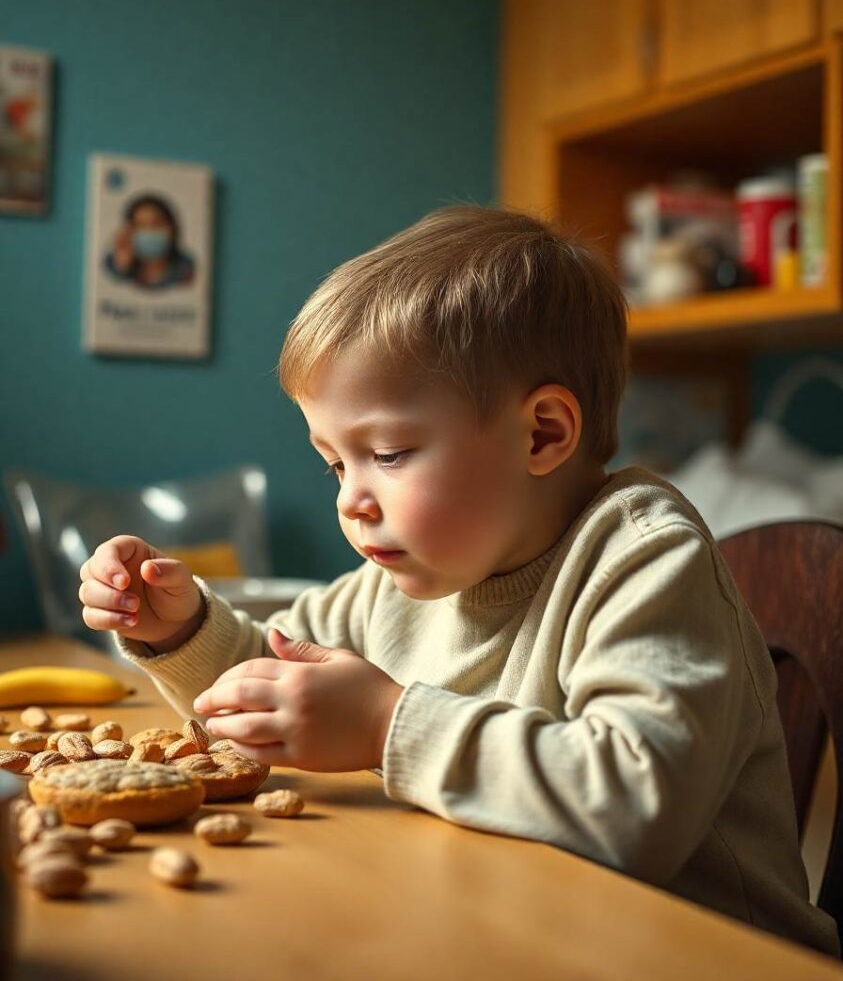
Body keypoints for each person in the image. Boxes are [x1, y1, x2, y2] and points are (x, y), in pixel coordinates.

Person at [79, 205, 839, 957]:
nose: (350, 498)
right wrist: (177, 628)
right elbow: (271, 682)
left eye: (389, 453)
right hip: (517, 930)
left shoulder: (641, 559)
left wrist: (384, 725)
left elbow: (635, 804)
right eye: (334, 463)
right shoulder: (400, 581)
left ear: (541, 433)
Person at [104, 193, 195, 290]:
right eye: (140, 225)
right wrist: (122, 266)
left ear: (172, 228)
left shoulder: (186, 268)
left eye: (157, 224)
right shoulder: (112, 265)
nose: (149, 231)